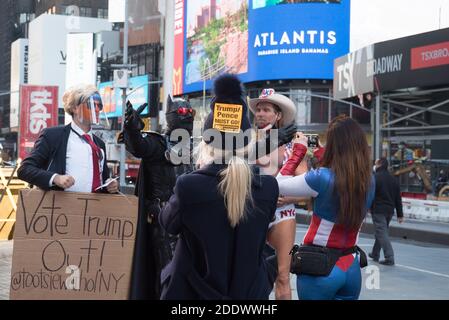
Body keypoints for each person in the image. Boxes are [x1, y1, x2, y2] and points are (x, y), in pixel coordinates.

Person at [158, 74, 279, 300]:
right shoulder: (268, 188)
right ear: (247, 142)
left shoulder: (189, 186)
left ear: (207, 142)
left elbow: (168, 224)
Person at [278, 115, 375, 300]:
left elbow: (278, 184)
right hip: (351, 267)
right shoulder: (370, 180)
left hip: (319, 267)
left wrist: (298, 151)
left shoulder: (322, 177)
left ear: (334, 145)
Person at [119, 96, 195, 299]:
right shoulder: (157, 143)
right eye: (181, 113)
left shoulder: (196, 146)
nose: (187, 116)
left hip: (192, 221)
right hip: (163, 219)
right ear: (170, 117)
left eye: (190, 113)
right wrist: (132, 129)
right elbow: (138, 147)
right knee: (167, 271)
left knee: (191, 275)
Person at [18, 84, 118, 194]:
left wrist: (109, 185)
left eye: (100, 106)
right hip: (61, 208)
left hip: (94, 208)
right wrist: (55, 178)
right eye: (91, 105)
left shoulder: (99, 144)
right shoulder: (53, 136)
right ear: (75, 108)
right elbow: (24, 169)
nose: (97, 109)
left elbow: (101, 181)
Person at [369, 158, 404, 266]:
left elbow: (370, 195)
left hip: (379, 210)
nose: (374, 165)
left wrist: (367, 208)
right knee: (381, 232)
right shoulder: (394, 179)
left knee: (382, 232)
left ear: (379, 164)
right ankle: (375, 253)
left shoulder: (375, 178)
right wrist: (400, 214)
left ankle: (389, 257)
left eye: (375, 163)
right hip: (389, 211)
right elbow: (398, 198)